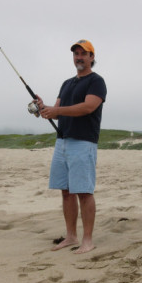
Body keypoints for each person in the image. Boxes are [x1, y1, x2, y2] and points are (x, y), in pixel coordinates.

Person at [35, 39, 107, 254]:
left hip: (83, 143)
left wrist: (57, 111)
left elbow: (88, 107)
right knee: (66, 192)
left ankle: (87, 240)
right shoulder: (66, 83)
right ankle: (71, 236)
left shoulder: (97, 81)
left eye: (83, 54)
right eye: (76, 54)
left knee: (83, 192)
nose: (79, 57)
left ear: (92, 57)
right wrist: (44, 108)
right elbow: (56, 111)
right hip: (62, 142)